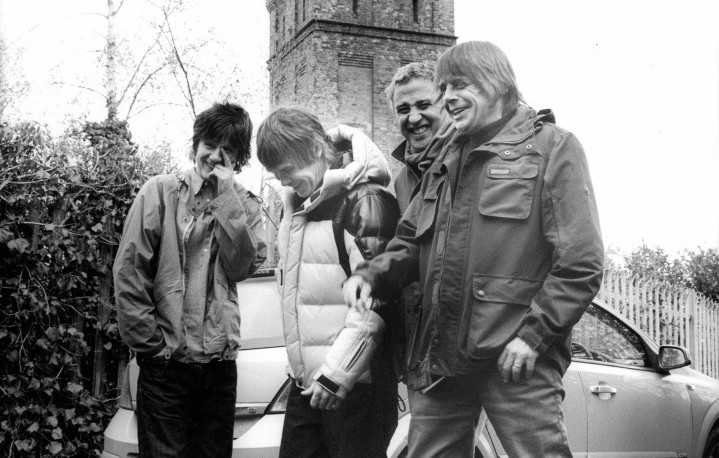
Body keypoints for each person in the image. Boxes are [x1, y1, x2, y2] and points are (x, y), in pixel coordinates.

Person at [344, 41, 604, 458]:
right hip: (440, 355)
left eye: (459, 85)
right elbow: (409, 240)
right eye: (444, 87)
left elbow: (580, 263)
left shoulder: (552, 148)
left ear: (496, 84)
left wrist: (533, 337)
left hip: (515, 357)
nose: (448, 97)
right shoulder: (445, 158)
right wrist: (371, 276)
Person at [113, 102, 266, 458]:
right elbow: (130, 271)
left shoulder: (247, 205)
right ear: (196, 144)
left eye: (228, 150)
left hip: (219, 369)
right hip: (166, 367)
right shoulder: (159, 192)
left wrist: (227, 198)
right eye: (209, 144)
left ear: (239, 158)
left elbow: (241, 266)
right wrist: (152, 346)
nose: (215, 156)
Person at [256, 107, 400, 458]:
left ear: (315, 148)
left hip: (356, 386)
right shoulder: (298, 208)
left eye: (286, 171)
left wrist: (336, 374)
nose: (284, 182)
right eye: (277, 174)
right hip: (309, 385)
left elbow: (377, 303)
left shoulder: (366, 201)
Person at [384, 61, 453, 380]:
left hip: (466, 344)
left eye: (424, 105)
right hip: (421, 348)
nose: (414, 118)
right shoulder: (402, 180)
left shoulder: (467, 160)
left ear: (446, 103)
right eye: (403, 109)